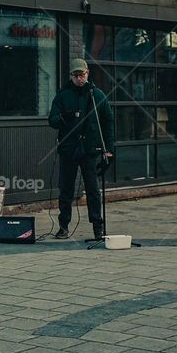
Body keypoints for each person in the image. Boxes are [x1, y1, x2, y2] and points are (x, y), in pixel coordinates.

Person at [48, 57, 114, 240]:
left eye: (82, 74)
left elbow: (108, 122)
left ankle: (97, 227)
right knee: (66, 189)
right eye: (76, 75)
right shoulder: (62, 95)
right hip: (68, 149)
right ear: (71, 76)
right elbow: (51, 119)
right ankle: (63, 226)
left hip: (90, 149)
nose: (79, 78)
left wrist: (109, 149)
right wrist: (62, 118)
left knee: (93, 189)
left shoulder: (97, 95)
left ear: (87, 74)